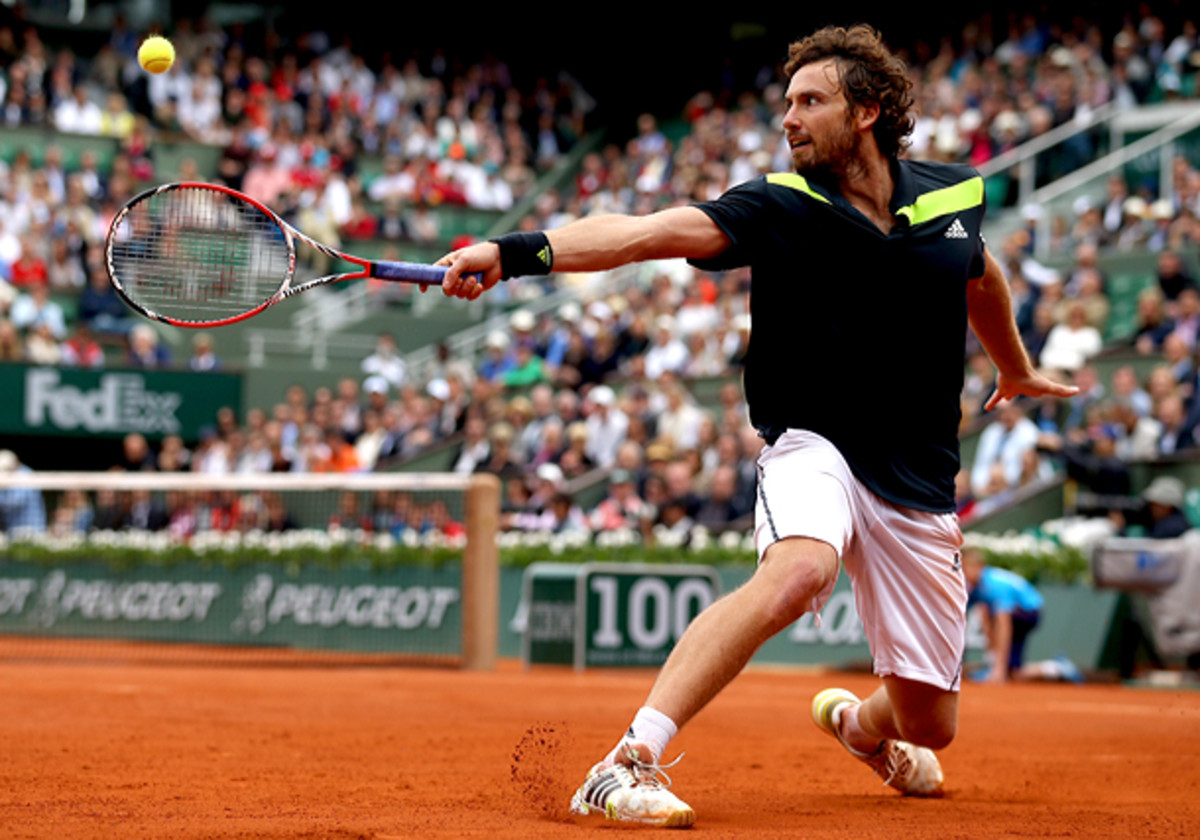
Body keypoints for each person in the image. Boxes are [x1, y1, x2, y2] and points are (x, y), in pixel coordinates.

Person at [437, 24, 1077, 827]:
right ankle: (626, 759)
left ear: (869, 111)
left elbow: (981, 272)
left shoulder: (954, 196)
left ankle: (855, 726)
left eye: (811, 101)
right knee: (801, 570)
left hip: (918, 473)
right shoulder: (780, 204)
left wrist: (1011, 365)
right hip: (815, 441)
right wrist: (517, 250)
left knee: (929, 725)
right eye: (787, 103)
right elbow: (644, 232)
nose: (790, 118)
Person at [960, 547, 1082, 684]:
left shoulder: (994, 585)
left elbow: (1003, 625)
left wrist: (999, 670)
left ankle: (1058, 668)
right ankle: (997, 666)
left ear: (978, 566)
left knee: (1012, 672)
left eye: (964, 567)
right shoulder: (976, 586)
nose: (962, 572)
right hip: (1015, 613)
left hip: (1028, 613)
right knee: (985, 611)